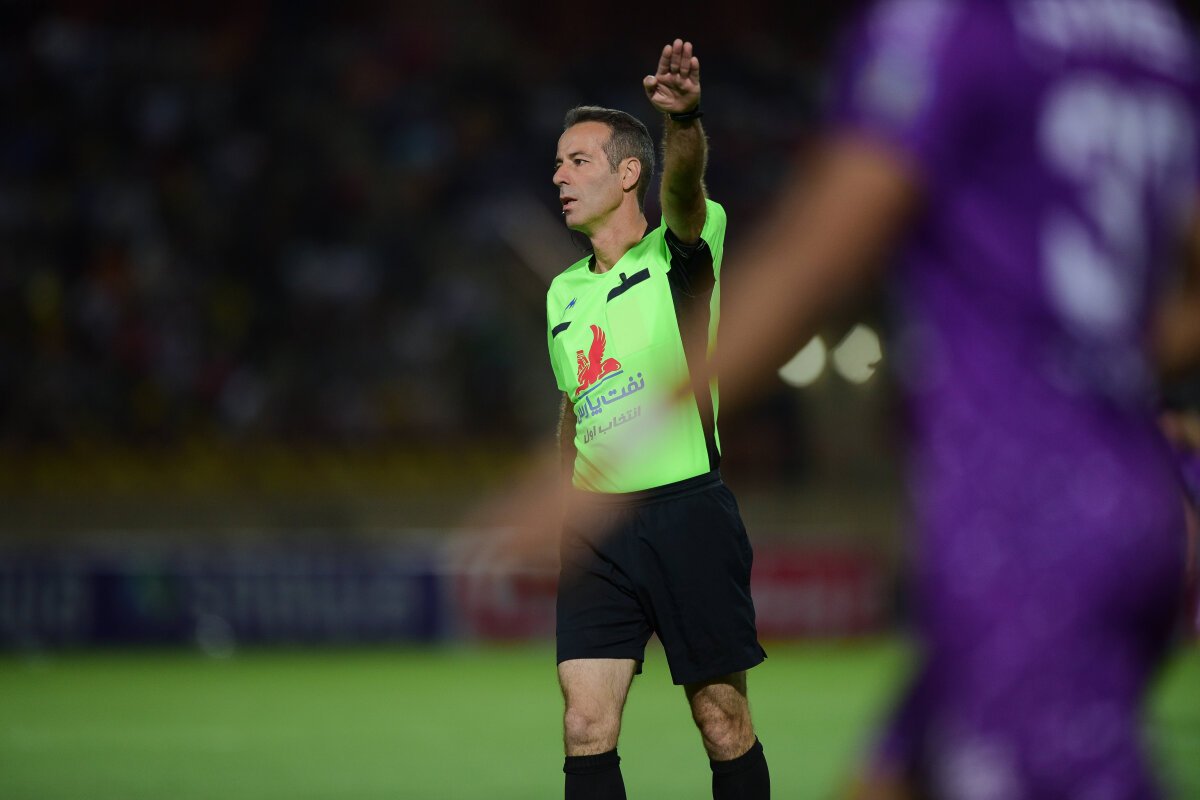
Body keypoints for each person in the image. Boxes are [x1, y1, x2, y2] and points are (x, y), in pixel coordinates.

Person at [701, 1, 1200, 798]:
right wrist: (1111, 369)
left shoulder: (948, 24)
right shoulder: (1158, 39)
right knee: (891, 778)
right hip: (1130, 496)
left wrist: (628, 439)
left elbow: (817, 254)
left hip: (1019, 517)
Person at [547, 39, 770, 800]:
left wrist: (683, 121)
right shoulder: (562, 293)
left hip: (686, 513)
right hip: (594, 527)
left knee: (722, 721)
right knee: (585, 724)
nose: (559, 177)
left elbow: (684, 186)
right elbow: (573, 408)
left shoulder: (680, 253)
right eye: (557, 164)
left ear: (628, 173)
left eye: (578, 161)